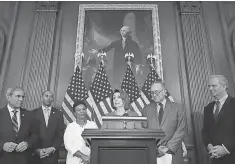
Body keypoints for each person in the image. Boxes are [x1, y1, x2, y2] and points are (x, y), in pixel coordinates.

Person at [142, 81, 186, 164]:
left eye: (157, 92)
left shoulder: (178, 108)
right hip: (154, 153)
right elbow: (144, 131)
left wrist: (168, 148)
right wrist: (155, 149)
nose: (154, 95)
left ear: (164, 91)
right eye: (152, 93)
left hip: (173, 152)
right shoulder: (146, 109)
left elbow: (181, 130)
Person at [202, 75, 235, 164]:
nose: (210, 89)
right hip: (215, 158)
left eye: (214, 86)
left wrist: (226, 149)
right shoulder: (208, 108)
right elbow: (205, 131)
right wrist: (209, 146)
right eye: (209, 86)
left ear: (224, 87)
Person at [0, 87, 38, 164]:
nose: (21, 99)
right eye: (18, 96)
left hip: (24, 159)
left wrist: (27, 143)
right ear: (8, 97)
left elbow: (35, 134)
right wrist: (2, 145)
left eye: (22, 97)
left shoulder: (29, 115)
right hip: (3, 158)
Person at [32, 90, 64, 164]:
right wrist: (37, 150)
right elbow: (31, 133)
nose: (49, 98)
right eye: (46, 96)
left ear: (53, 99)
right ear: (41, 98)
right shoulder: (33, 113)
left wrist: (52, 148)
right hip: (37, 154)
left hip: (52, 154)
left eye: (51, 96)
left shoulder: (59, 114)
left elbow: (60, 134)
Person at [64, 100, 98, 164]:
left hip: (90, 160)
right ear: (74, 113)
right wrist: (83, 156)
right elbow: (68, 145)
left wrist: (90, 158)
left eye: (83, 109)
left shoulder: (92, 125)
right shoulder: (70, 127)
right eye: (78, 110)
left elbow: (97, 142)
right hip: (74, 161)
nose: (82, 111)